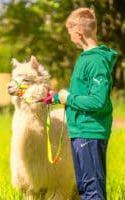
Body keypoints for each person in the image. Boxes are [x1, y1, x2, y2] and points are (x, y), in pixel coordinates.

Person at [53, 8, 118, 200]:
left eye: (69, 33)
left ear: (78, 33)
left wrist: (68, 99)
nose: (69, 37)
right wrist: (53, 97)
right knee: (84, 189)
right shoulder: (85, 59)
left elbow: (97, 101)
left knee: (93, 191)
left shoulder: (97, 61)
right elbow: (80, 93)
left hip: (90, 132)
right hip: (79, 131)